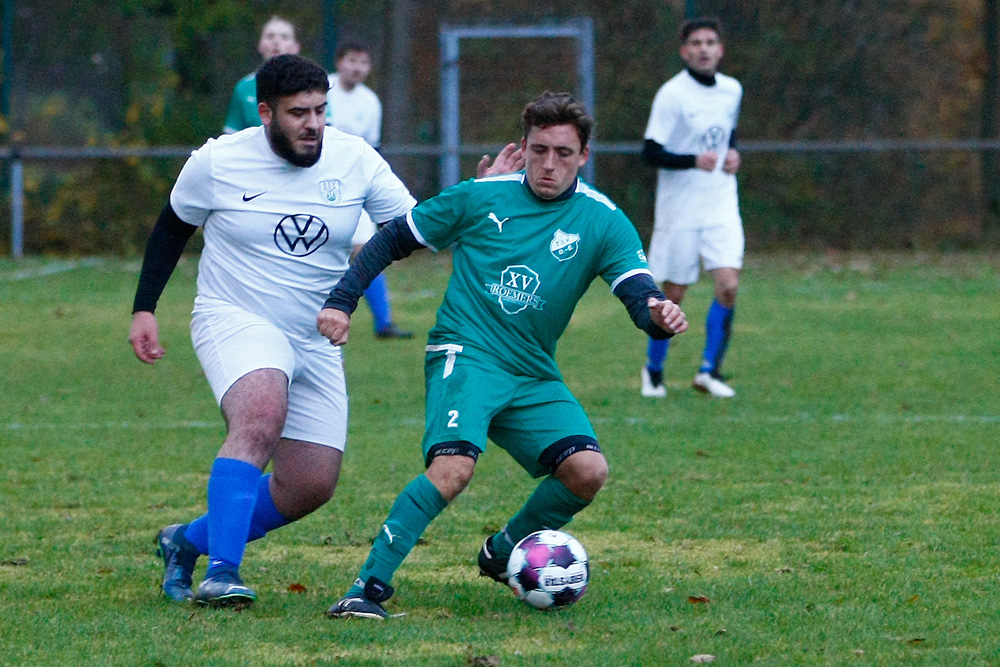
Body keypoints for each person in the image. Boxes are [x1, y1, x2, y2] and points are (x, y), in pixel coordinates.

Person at [131, 54, 519, 609]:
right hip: (235, 315)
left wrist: (481, 197)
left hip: (316, 332)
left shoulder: (354, 158)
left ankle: (186, 541)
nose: (313, 123)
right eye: (298, 113)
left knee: (309, 486)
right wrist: (145, 307)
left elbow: (413, 229)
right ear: (265, 112)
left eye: (320, 110)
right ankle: (221, 572)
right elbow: (172, 227)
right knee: (260, 413)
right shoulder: (218, 162)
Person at [317, 91, 689, 619]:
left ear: (584, 156)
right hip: (465, 354)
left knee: (587, 472)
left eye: (563, 153)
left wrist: (659, 314)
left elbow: (638, 295)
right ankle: (367, 587)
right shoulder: (481, 196)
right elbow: (393, 238)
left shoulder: (603, 220)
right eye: (540, 151)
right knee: (453, 470)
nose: (549, 164)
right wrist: (341, 301)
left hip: (532, 371)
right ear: (525, 146)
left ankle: (503, 550)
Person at [640, 17, 744, 399]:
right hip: (680, 209)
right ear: (685, 52)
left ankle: (708, 372)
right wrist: (691, 161)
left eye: (710, 42)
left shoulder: (732, 90)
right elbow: (650, 151)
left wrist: (733, 153)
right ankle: (653, 371)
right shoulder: (672, 95)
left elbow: (726, 131)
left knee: (728, 285)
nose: (704, 49)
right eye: (696, 43)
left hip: (720, 202)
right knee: (675, 294)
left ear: (720, 50)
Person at [326, 40, 410, 339]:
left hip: (354, 186)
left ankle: (384, 323)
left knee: (367, 249)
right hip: (321, 184)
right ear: (339, 62)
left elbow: (371, 149)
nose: (357, 67)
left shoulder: (371, 101)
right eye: (351, 60)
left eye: (363, 62)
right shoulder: (324, 90)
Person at [222, 16, 301, 134]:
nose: (276, 42)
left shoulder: (311, 85)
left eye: (284, 37)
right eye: (270, 36)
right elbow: (232, 134)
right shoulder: (244, 88)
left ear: (296, 47)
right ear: (260, 45)